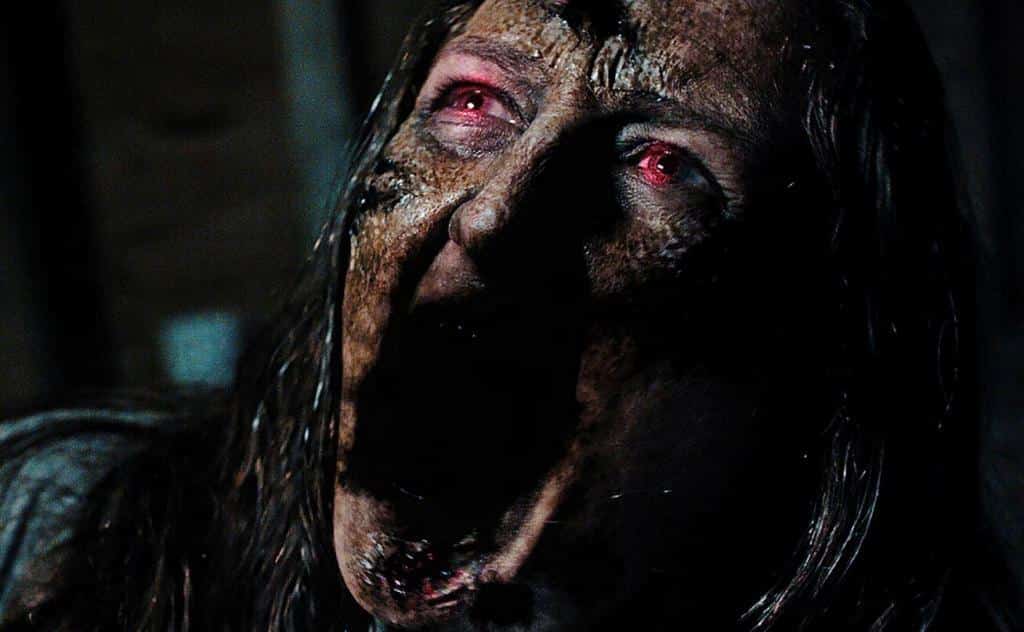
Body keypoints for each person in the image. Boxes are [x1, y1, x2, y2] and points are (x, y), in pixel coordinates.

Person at [0, 0, 1014, 630]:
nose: (492, 213)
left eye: (662, 163)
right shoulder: (58, 535)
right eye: (475, 102)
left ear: (810, 356)